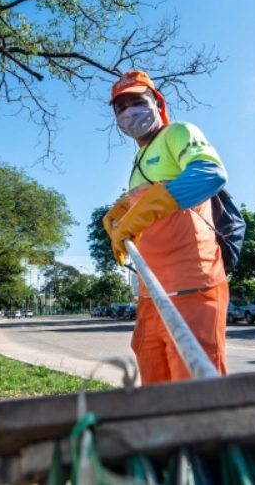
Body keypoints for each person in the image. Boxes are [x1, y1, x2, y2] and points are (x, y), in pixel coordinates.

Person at [102, 70, 230, 384]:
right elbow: (150, 195)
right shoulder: (139, 158)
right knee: (156, 392)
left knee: (195, 394)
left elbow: (210, 173)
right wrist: (123, 209)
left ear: (157, 102)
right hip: (151, 295)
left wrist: (143, 211)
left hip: (192, 286)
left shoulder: (178, 133)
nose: (129, 111)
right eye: (121, 107)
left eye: (137, 101)